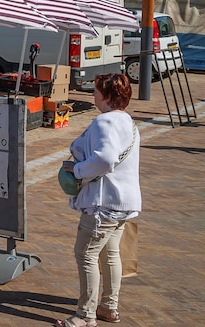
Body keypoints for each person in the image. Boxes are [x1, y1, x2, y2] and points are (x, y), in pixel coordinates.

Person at [54, 73, 141, 327]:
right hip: (124, 202)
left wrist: (78, 171)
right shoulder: (127, 121)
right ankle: (109, 307)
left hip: (103, 203)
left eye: (96, 91)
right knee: (110, 253)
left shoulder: (105, 122)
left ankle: (85, 315)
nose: (93, 95)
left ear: (107, 96)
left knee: (85, 254)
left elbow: (105, 159)